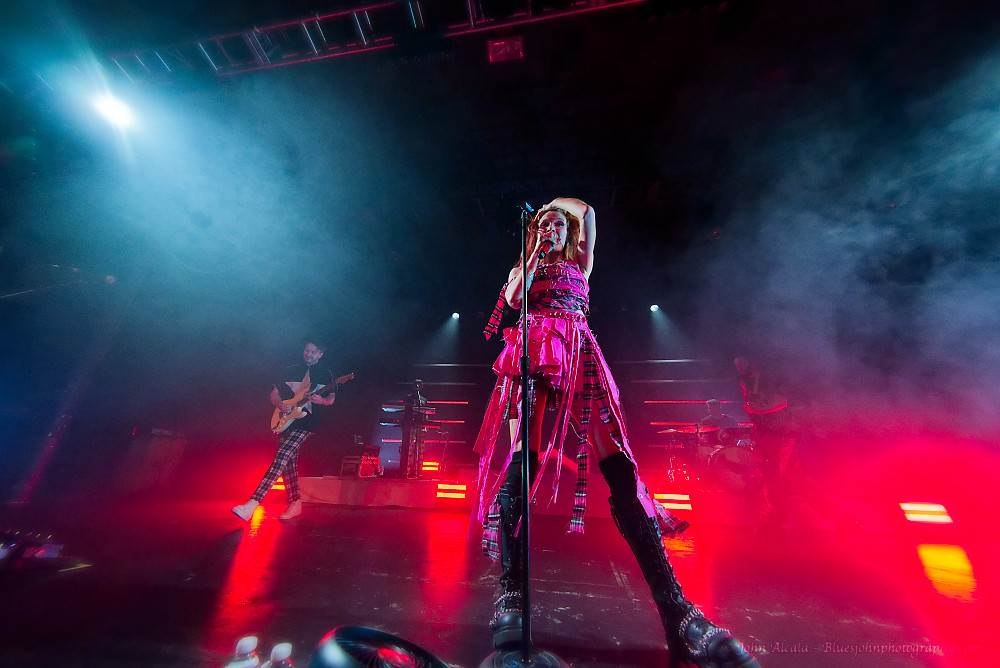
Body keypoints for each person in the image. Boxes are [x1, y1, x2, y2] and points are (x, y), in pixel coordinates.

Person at [475, 198, 759, 667]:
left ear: (569, 236)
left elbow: (584, 211)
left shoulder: (580, 265)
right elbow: (510, 302)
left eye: (555, 225)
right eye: (542, 224)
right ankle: (510, 594)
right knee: (521, 462)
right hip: (532, 355)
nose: (549, 227)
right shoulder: (523, 267)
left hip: (579, 352)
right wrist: (532, 252)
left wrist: (550, 205)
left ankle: (678, 611)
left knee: (620, 470)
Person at [733, 356, 856, 534]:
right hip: (766, 437)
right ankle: (841, 520)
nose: (739, 367)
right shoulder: (745, 382)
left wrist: (760, 410)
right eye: (736, 364)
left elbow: (785, 403)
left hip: (780, 434)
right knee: (796, 480)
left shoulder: (770, 378)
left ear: (753, 360)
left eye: (742, 362)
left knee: (773, 478)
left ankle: (772, 524)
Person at [232, 340, 336, 522]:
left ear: (321, 355)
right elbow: (274, 393)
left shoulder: (326, 373)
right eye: (307, 350)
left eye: (314, 352)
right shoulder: (290, 369)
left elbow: (331, 399)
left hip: (307, 422)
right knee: (288, 462)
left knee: (282, 456)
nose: (309, 354)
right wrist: (280, 405)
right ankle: (296, 502)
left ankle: (253, 503)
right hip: (286, 419)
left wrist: (321, 400)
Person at [400, 379, 430, 478]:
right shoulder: (408, 398)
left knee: (420, 450)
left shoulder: (424, 400)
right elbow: (406, 412)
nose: (418, 386)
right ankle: (405, 472)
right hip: (410, 425)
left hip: (420, 427)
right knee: (408, 449)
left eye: (420, 385)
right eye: (416, 384)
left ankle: (418, 472)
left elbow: (426, 413)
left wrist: (426, 425)